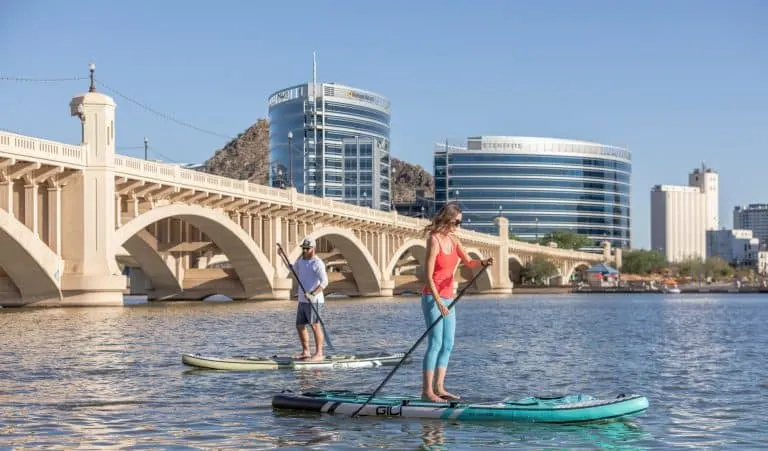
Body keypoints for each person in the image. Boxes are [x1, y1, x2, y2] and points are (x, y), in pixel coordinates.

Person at [420, 202, 493, 402]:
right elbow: (427, 276)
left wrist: (483, 262)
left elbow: (469, 262)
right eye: (457, 221)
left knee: (448, 343)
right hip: (432, 297)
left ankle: (440, 388)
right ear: (448, 219)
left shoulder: (454, 240)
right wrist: (438, 302)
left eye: (460, 222)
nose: (459, 225)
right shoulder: (433, 240)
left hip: (449, 298)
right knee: (435, 343)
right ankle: (427, 392)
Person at [292, 237, 329, 361]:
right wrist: (283, 257)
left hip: (315, 300)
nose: (305, 250)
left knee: (315, 325)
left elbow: (324, 283)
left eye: (307, 248)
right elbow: (293, 268)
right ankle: (306, 352)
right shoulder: (301, 261)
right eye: (303, 248)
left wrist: (312, 294)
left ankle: (319, 353)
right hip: (302, 300)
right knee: (299, 325)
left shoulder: (318, 263)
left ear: (313, 248)